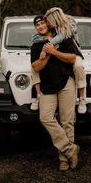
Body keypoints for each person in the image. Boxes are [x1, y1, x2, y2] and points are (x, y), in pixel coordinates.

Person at [31, 15, 80, 171]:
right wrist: (48, 52)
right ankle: (70, 149)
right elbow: (36, 67)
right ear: (36, 28)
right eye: (37, 24)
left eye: (42, 22)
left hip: (66, 82)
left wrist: (53, 50)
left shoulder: (64, 37)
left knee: (67, 121)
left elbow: (72, 58)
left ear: (48, 24)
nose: (40, 26)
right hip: (47, 86)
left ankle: (64, 160)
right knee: (45, 117)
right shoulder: (37, 45)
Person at [30, 7, 87, 114]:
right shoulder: (52, 30)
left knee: (79, 66)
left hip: (75, 51)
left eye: (47, 22)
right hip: (49, 80)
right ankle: (38, 96)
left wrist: (45, 49)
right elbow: (34, 38)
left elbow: (62, 37)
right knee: (33, 66)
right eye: (41, 23)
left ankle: (82, 98)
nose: (46, 24)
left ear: (54, 19)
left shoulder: (70, 23)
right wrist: (44, 39)